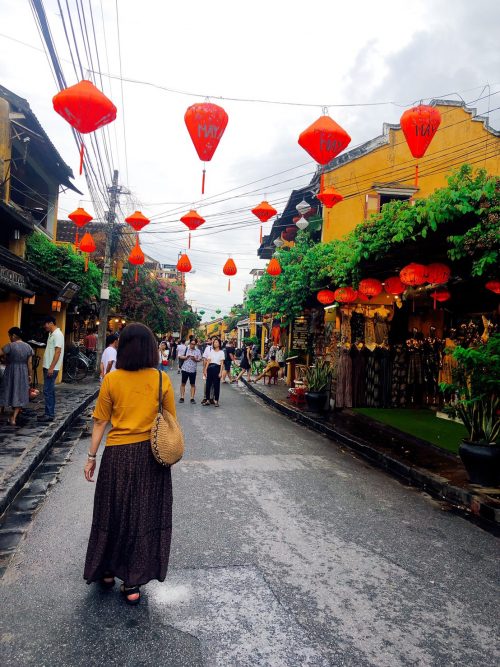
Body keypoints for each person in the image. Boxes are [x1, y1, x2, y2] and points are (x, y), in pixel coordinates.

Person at [83, 322, 176, 606]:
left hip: (117, 455)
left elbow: (100, 421)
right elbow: (171, 420)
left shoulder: (112, 379)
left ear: (122, 348)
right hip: (150, 456)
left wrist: (91, 457)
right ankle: (132, 581)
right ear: (151, 349)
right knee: (142, 515)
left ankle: (108, 570)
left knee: (112, 511)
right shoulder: (161, 380)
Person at [1, 327, 33, 426]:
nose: (10, 338)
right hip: (23, 372)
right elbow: (30, 363)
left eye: (10, 336)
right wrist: (30, 375)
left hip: (10, 371)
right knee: (20, 393)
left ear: (13, 336)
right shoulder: (28, 347)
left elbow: (1, 353)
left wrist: (5, 359)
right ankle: (13, 419)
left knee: (6, 390)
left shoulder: (10, 346)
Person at [38, 316, 64, 423]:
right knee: (49, 391)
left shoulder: (58, 334)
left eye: (46, 324)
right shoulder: (51, 334)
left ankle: (49, 414)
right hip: (48, 367)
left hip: (51, 368)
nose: (45, 326)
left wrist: (51, 367)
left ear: (51, 323)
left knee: (48, 391)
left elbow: (58, 352)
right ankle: (49, 413)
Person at [178, 338, 202, 403]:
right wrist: (185, 357)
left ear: (196, 344)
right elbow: (179, 356)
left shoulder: (198, 351)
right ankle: (182, 397)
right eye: (191, 344)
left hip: (193, 370)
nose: (192, 345)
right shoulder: (185, 348)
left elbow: (200, 359)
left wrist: (195, 359)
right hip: (185, 368)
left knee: (193, 384)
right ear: (190, 343)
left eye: (194, 344)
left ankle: (192, 398)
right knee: (183, 383)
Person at [202, 337, 225, 407]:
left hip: (217, 368)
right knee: (208, 385)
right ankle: (208, 400)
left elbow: (222, 363)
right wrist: (205, 370)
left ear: (219, 344)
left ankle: (216, 400)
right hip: (210, 368)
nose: (215, 343)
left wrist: (221, 372)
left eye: (217, 342)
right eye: (214, 342)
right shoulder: (211, 351)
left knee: (216, 385)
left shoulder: (221, 352)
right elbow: (208, 361)